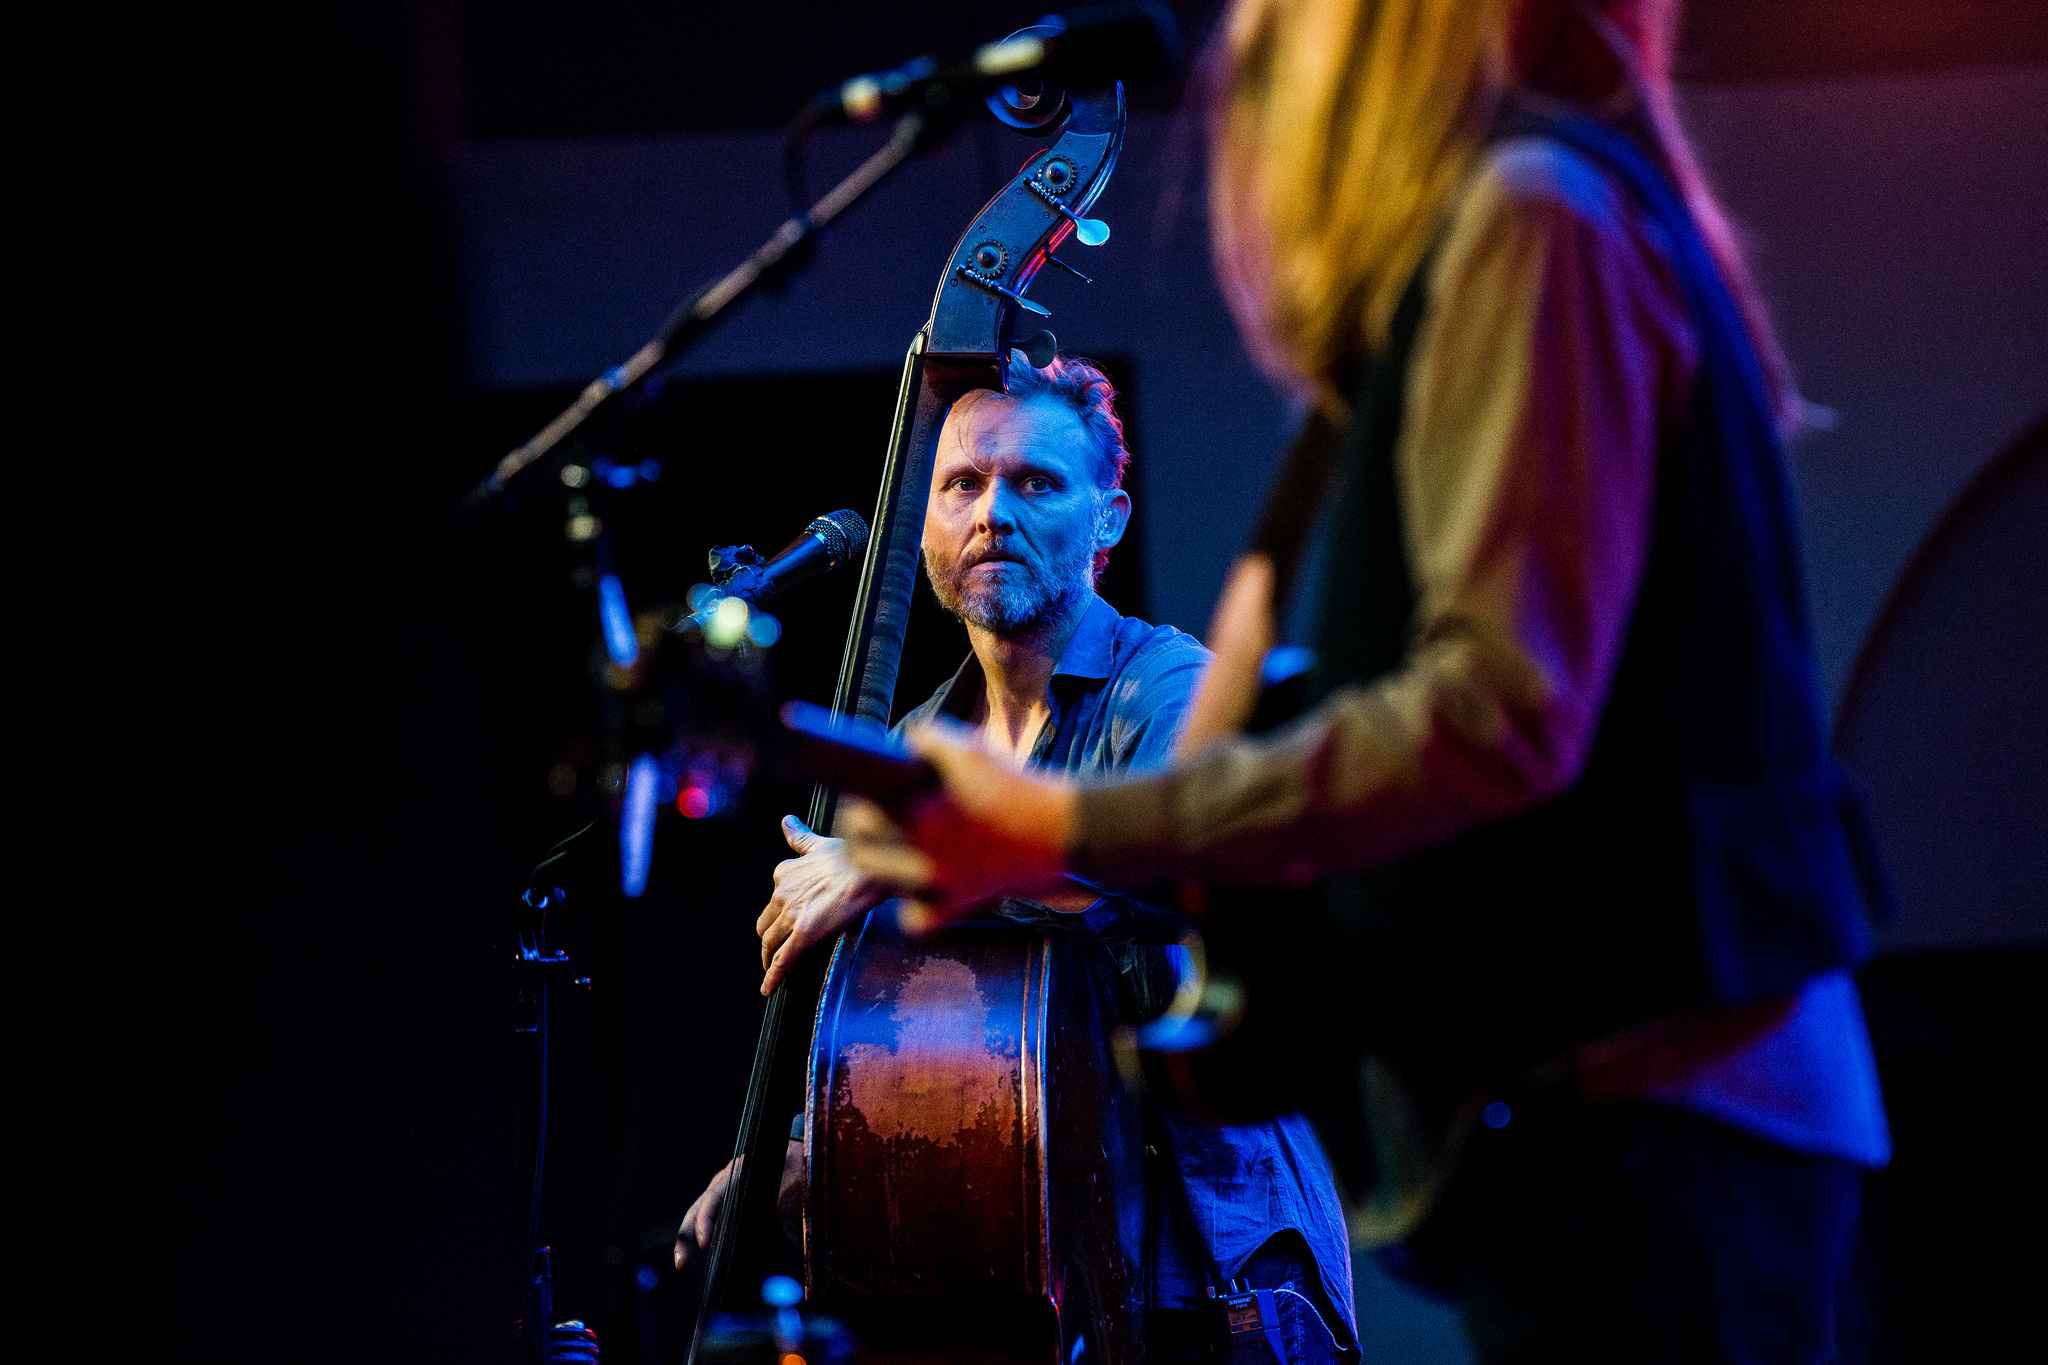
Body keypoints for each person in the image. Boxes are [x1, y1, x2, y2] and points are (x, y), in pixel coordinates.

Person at [840, 2, 1895, 1361]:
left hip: (1663, 1123)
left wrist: (1060, 827)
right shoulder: (1515, 228)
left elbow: (1498, 714)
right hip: (1628, 1125)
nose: (1250, 57)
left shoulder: (1532, 216)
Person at [677, 351, 1359, 1363]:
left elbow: (1171, 872)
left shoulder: (1169, 685)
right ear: (923, 526)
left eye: (1034, 483)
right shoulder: (914, 747)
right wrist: (808, 1152)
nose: (992, 512)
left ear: (1107, 520)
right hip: (1026, 1274)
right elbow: (909, 1043)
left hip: (1215, 1269)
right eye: (962, 484)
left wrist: (902, 861)